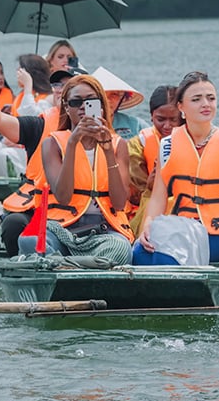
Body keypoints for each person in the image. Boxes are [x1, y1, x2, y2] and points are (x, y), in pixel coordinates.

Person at [133, 71, 219, 265]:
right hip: (186, 231)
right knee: (139, 253)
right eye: (196, 99)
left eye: (211, 98)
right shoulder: (168, 144)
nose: (206, 104)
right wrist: (147, 225)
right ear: (181, 107)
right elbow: (158, 197)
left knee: (165, 259)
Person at [18, 75, 134, 263]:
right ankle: (84, 264)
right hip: (62, 227)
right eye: (76, 102)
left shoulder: (118, 145)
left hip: (103, 230)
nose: (82, 106)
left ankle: (62, 264)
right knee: (29, 241)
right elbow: (63, 196)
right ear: (66, 107)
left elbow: (120, 203)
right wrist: (72, 143)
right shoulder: (52, 144)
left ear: (101, 106)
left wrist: (107, 151)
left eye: (90, 101)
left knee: (121, 250)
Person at [0, 64, 81, 255]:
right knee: (13, 224)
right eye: (58, 85)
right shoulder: (39, 124)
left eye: (69, 86)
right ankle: (22, 271)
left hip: (82, 209)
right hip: (41, 206)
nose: (61, 91)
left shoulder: (99, 129)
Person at [126, 85, 181, 237]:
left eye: (173, 119)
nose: (167, 126)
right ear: (151, 116)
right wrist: (150, 186)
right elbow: (133, 194)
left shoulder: (195, 140)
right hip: (148, 204)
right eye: (161, 119)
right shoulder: (139, 144)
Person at [90, 66, 149, 140]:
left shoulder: (136, 125)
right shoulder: (78, 124)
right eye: (102, 94)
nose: (107, 100)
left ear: (121, 98)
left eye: (114, 95)